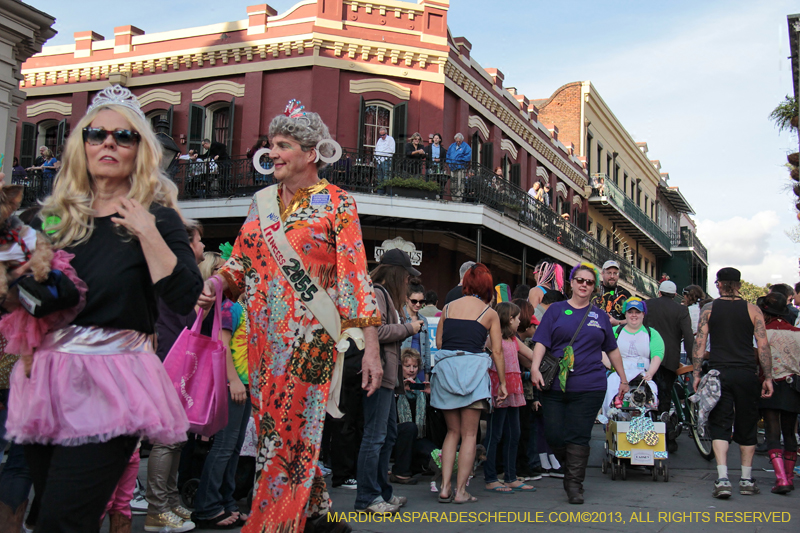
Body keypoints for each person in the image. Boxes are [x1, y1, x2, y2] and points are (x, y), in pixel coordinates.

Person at [7, 84, 202, 532]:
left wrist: (146, 230)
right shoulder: (50, 217)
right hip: (45, 380)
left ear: (139, 150)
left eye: (123, 136)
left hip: (111, 381)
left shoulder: (157, 217)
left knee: (64, 518)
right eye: (96, 134)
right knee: (49, 512)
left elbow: (183, 296)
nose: (108, 143)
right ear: (83, 145)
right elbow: (16, 298)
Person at [198, 100, 383, 532]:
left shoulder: (337, 203)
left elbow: (354, 278)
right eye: (271, 144)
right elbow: (240, 263)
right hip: (262, 341)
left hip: (310, 340)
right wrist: (217, 283)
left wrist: (371, 350)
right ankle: (316, 516)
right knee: (272, 430)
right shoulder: (260, 202)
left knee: (289, 430)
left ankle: (273, 523)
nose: (273, 153)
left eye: (283, 145)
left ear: (311, 152)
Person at [531, 262, 628, 504]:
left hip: (590, 386)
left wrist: (623, 379)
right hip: (555, 385)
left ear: (594, 287)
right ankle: (571, 468)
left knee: (579, 435)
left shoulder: (600, 316)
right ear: (572, 283)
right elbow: (541, 341)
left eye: (589, 282)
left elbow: (612, 349)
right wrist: (534, 368)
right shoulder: (555, 310)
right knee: (554, 435)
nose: (584, 285)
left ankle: (574, 484)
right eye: (580, 280)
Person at [144, 220, 206, 533]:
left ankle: (168, 500)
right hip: (168, 361)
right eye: (199, 240)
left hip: (178, 362)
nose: (203, 246)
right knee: (167, 439)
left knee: (177, 437)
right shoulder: (170, 274)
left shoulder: (177, 274)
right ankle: (157, 508)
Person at [693, 267, 773, 499]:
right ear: (738, 285)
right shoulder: (753, 310)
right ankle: (746, 479)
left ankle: (723, 479)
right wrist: (767, 377)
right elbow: (763, 345)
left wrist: (696, 373)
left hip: (719, 373)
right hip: (747, 373)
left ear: (719, 284)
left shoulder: (709, 309)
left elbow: (700, 342)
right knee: (747, 425)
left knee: (720, 424)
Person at [431, 263, 507, 504]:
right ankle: (461, 491)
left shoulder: (448, 308)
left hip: (447, 372)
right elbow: (497, 352)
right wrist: (503, 383)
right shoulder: (489, 313)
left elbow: (440, 343)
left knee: (452, 432)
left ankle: (445, 487)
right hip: (473, 372)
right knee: (470, 434)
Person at [356, 249, 420, 514]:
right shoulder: (377, 293)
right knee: (375, 436)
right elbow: (376, 330)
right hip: (378, 375)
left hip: (387, 378)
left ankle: (382, 492)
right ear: (397, 273)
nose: (408, 281)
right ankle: (368, 497)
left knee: (388, 434)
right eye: (406, 276)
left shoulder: (384, 296)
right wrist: (408, 328)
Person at [192, 250, 251, 530]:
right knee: (225, 446)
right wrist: (234, 380)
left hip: (244, 384)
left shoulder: (238, 307)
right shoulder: (229, 308)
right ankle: (207, 507)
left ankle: (227, 502)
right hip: (233, 385)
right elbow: (222, 344)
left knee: (234, 447)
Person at [483, 302, 536, 493]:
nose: (520, 321)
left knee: (514, 433)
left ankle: (510, 476)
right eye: (517, 318)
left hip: (514, 388)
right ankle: (490, 477)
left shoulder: (514, 339)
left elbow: (531, 354)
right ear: (509, 319)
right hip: (499, 387)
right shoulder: (492, 338)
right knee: (495, 434)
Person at [756, 292, 800, 494]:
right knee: (790, 433)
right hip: (794, 386)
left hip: (770, 384)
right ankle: (789, 476)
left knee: (772, 432)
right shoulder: (797, 332)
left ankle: (781, 478)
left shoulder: (763, 333)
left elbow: (758, 359)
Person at [644, 280, 693, 452]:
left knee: (648, 394)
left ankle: (647, 431)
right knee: (665, 396)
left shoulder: (647, 305)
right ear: (674, 295)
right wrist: (694, 359)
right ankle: (666, 436)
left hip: (648, 355)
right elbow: (688, 336)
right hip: (670, 358)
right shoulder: (681, 310)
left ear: (659, 292)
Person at [601, 298, 664, 419]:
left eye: (637, 312)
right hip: (618, 376)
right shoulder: (615, 331)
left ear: (643, 314)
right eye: (630, 312)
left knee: (652, 393)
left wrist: (650, 373)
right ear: (625, 314)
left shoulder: (651, 334)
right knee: (610, 392)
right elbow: (602, 348)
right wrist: (609, 365)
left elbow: (657, 354)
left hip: (642, 376)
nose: (634, 315)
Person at [391, 349, 436, 484]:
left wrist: (431, 397)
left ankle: (413, 467)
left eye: (415, 366)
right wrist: (399, 391)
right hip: (394, 437)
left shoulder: (421, 389)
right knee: (409, 428)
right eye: (407, 366)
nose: (411, 370)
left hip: (417, 438)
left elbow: (434, 423)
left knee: (435, 455)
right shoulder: (392, 386)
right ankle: (401, 473)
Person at [402, 279, 431, 380]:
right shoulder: (399, 317)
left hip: (419, 367)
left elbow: (427, 348)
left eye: (421, 301)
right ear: (406, 299)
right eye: (414, 301)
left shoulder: (423, 320)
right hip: (402, 367)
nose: (418, 304)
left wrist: (427, 373)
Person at [593, 260, 631, 326]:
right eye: (609, 273)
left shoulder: (625, 294)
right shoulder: (593, 290)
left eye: (615, 273)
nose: (612, 276)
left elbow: (635, 319)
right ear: (602, 273)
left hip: (617, 331)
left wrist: (618, 322)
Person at [445, 133, 471, 199]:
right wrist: (449, 163)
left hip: (461, 168)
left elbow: (468, 157)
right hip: (452, 167)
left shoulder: (466, 146)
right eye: (457, 141)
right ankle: (453, 197)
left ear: (462, 140)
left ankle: (459, 197)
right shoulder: (452, 146)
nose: (458, 142)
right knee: (453, 183)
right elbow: (448, 155)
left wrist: (460, 159)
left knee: (460, 183)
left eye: (459, 141)